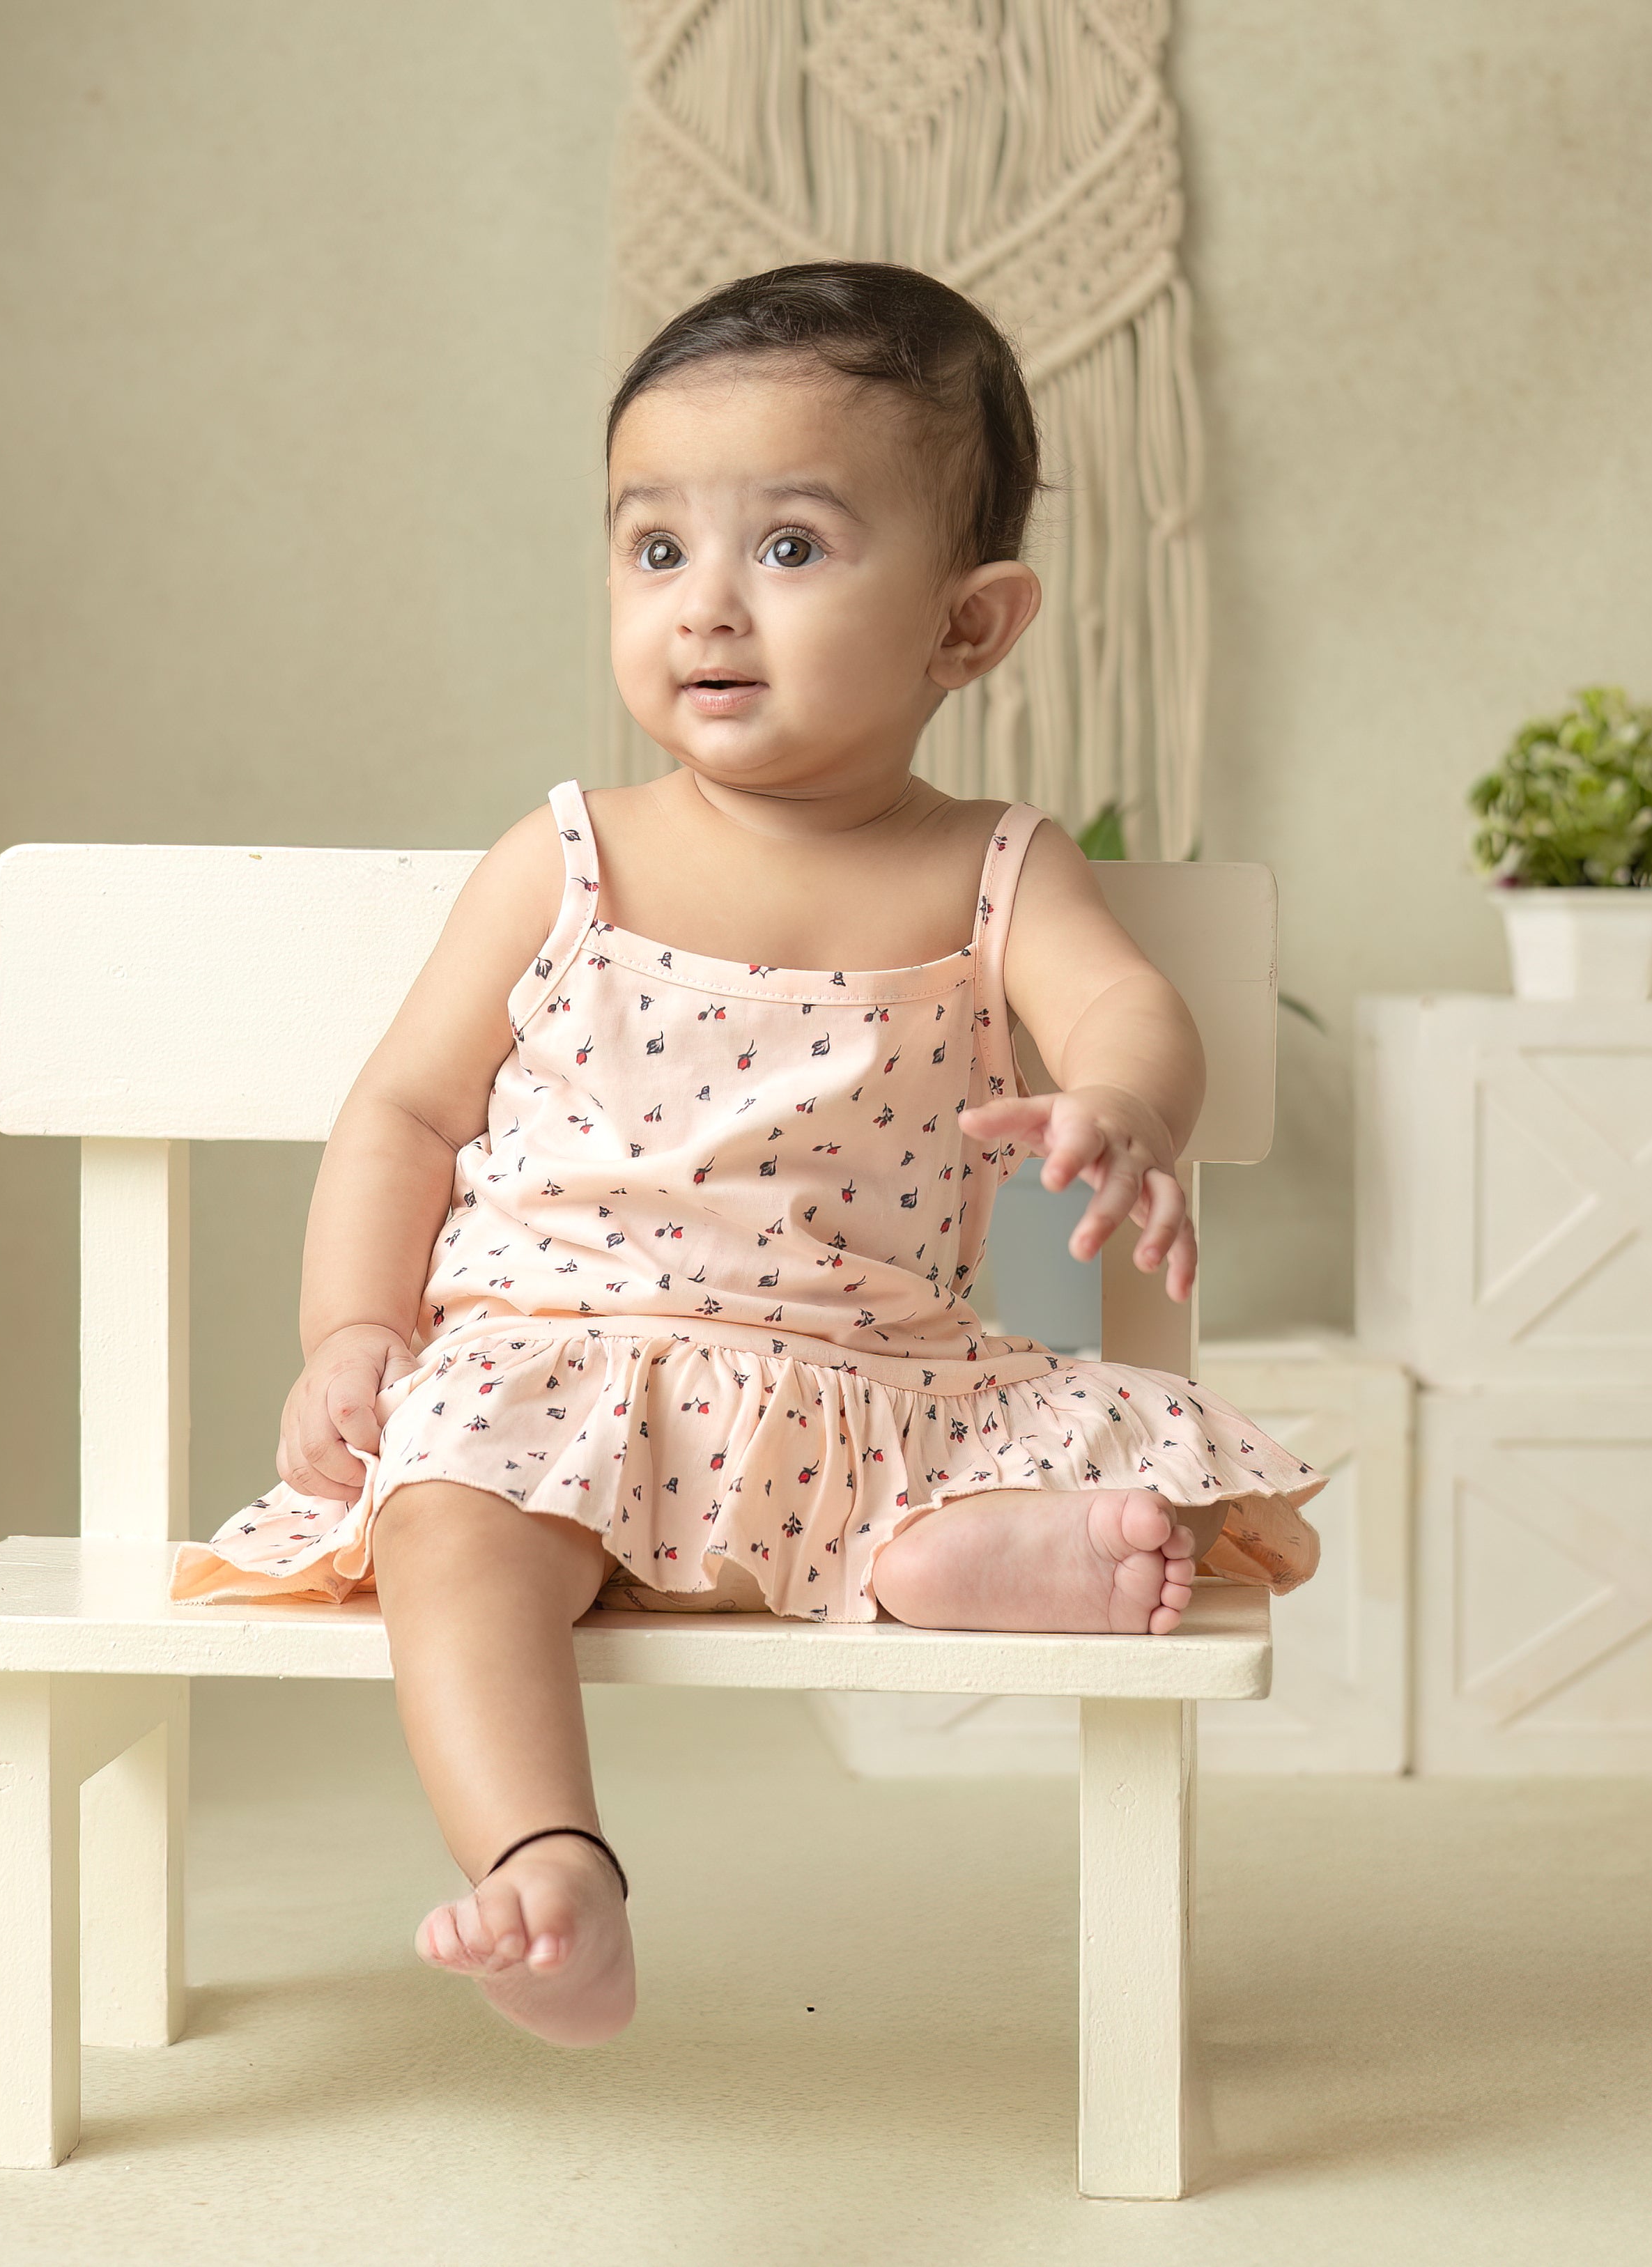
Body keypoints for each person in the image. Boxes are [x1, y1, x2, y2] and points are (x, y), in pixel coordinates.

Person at [174, 261, 1325, 2048]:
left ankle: (950, 1558)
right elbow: (403, 1111)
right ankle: (552, 1861)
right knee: (446, 1515)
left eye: (788, 549)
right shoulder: (565, 858)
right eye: (655, 551)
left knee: (1058, 1455)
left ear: (969, 623)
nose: (706, 606)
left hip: (857, 1382)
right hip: (561, 1379)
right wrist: (349, 1329)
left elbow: (1126, 1011)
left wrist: (1124, 1107)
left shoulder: (993, 867)